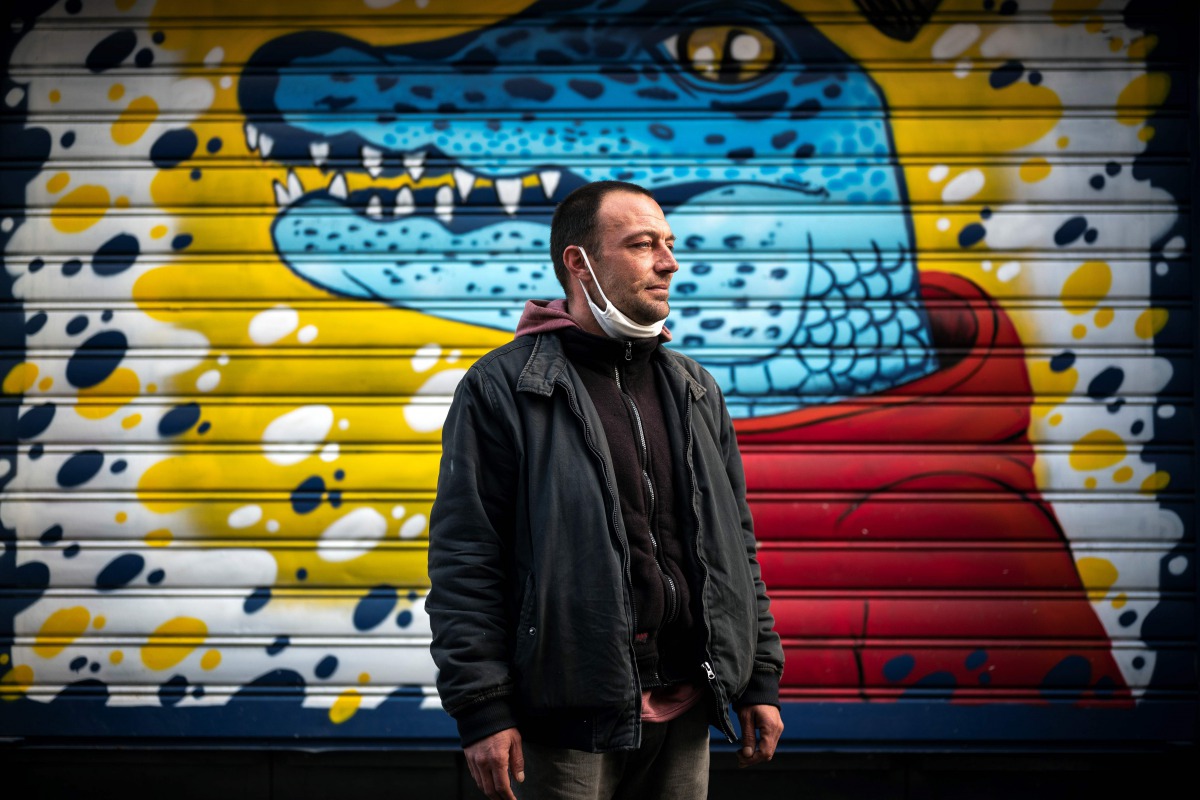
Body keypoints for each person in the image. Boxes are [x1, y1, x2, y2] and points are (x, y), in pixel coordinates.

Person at [427, 180, 785, 799]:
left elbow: (737, 549)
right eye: (644, 245)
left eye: (669, 244)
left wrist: (758, 679)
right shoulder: (505, 389)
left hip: (690, 702)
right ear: (579, 262)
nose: (669, 262)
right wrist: (483, 704)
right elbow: (466, 560)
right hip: (566, 717)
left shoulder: (693, 388)